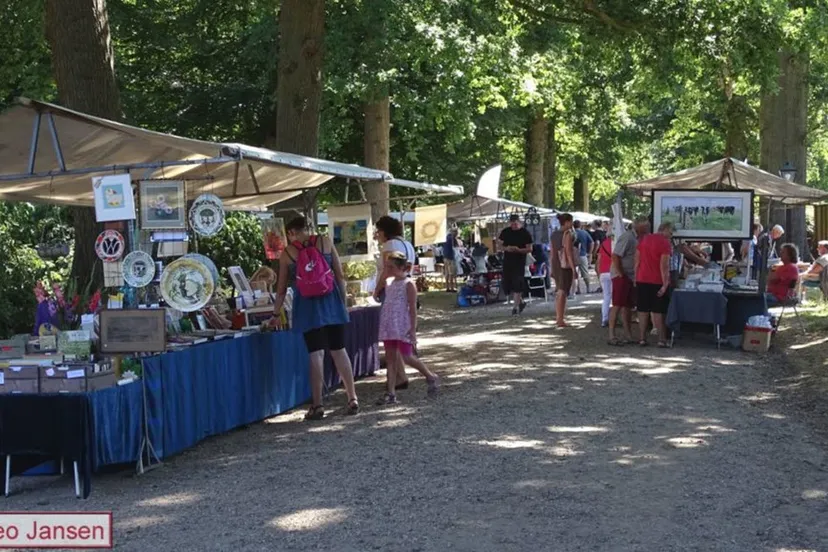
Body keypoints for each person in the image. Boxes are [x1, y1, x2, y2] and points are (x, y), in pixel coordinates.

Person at [273, 216, 358, 420]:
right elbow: (340, 275)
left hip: (307, 308)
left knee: (315, 354)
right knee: (339, 350)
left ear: (291, 232)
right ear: (307, 228)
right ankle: (352, 397)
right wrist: (343, 303)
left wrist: (276, 313)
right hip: (332, 304)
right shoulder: (325, 242)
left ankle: (318, 404)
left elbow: (281, 288)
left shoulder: (287, 254)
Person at [376, 252, 440, 404]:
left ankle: (430, 375)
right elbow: (377, 294)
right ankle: (391, 393)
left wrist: (413, 329)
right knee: (391, 359)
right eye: (387, 267)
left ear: (400, 267)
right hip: (389, 324)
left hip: (402, 324)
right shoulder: (389, 282)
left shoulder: (408, 284)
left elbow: (413, 308)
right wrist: (383, 276)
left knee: (407, 356)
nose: (388, 269)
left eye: (391, 267)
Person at [372, 215, 416, 389]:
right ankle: (400, 375)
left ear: (384, 231)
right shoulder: (407, 244)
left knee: (392, 335)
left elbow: (386, 271)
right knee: (397, 334)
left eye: (378, 231)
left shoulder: (389, 246)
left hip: (392, 290)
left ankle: (400, 375)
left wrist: (377, 290)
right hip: (405, 289)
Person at [608, 216, 649, 345]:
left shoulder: (639, 238)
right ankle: (611, 335)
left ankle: (628, 335)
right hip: (622, 274)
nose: (648, 228)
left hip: (631, 276)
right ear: (638, 226)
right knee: (617, 305)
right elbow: (615, 255)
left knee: (627, 306)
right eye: (646, 226)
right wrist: (620, 274)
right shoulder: (628, 237)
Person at [635, 222, 673, 347]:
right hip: (656, 280)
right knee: (658, 311)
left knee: (642, 310)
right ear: (665, 230)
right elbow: (664, 266)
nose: (671, 236)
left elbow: (637, 260)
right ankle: (661, 339)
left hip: (642, 279)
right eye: (671, 232)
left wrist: (635, 277)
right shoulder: (665, 243)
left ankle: (642, 338)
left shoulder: (644, 239)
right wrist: (665, 283)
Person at [498, 214, 533, 315]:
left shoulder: (525, 233)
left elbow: (530, 248)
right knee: (508, 284)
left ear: (519, 222)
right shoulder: (506, 232)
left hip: (519, 261)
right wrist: (506, 248)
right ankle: (520, 302)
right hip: (507, 261)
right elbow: (499, 244)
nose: (514, 226)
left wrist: (519, 250)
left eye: (516, 224)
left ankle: (515, 307)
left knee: (518, 283)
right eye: (512, 224)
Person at [550, 213, 576, 327]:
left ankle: (559, 317)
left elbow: (551, 253)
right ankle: (560, 318)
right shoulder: (567, 234)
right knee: (562, 291)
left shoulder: (554, 234)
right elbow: (569, 253)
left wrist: (552, 267)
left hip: (556, 263)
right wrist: (573, 268)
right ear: (567, 222)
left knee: (560, 290)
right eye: (571, 221)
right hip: (564, 265)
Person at [597, 230, 614, 327]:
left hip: (603, 272)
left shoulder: (603, 244)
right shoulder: (616, 244)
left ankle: (604, 319)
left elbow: (599, 260)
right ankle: (614, 318)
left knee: (606, 297)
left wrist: (599, 273)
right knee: (615, 297)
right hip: (613, 272)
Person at [571, 220, 593, 295]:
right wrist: (590, 252)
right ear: (580, 226)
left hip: (573, 256)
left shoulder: (571, 233)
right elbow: (592, 242)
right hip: (583, 255)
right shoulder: (585, 232)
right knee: (585, 273)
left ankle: (578, 289)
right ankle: (588, 288)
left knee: (575, 274)